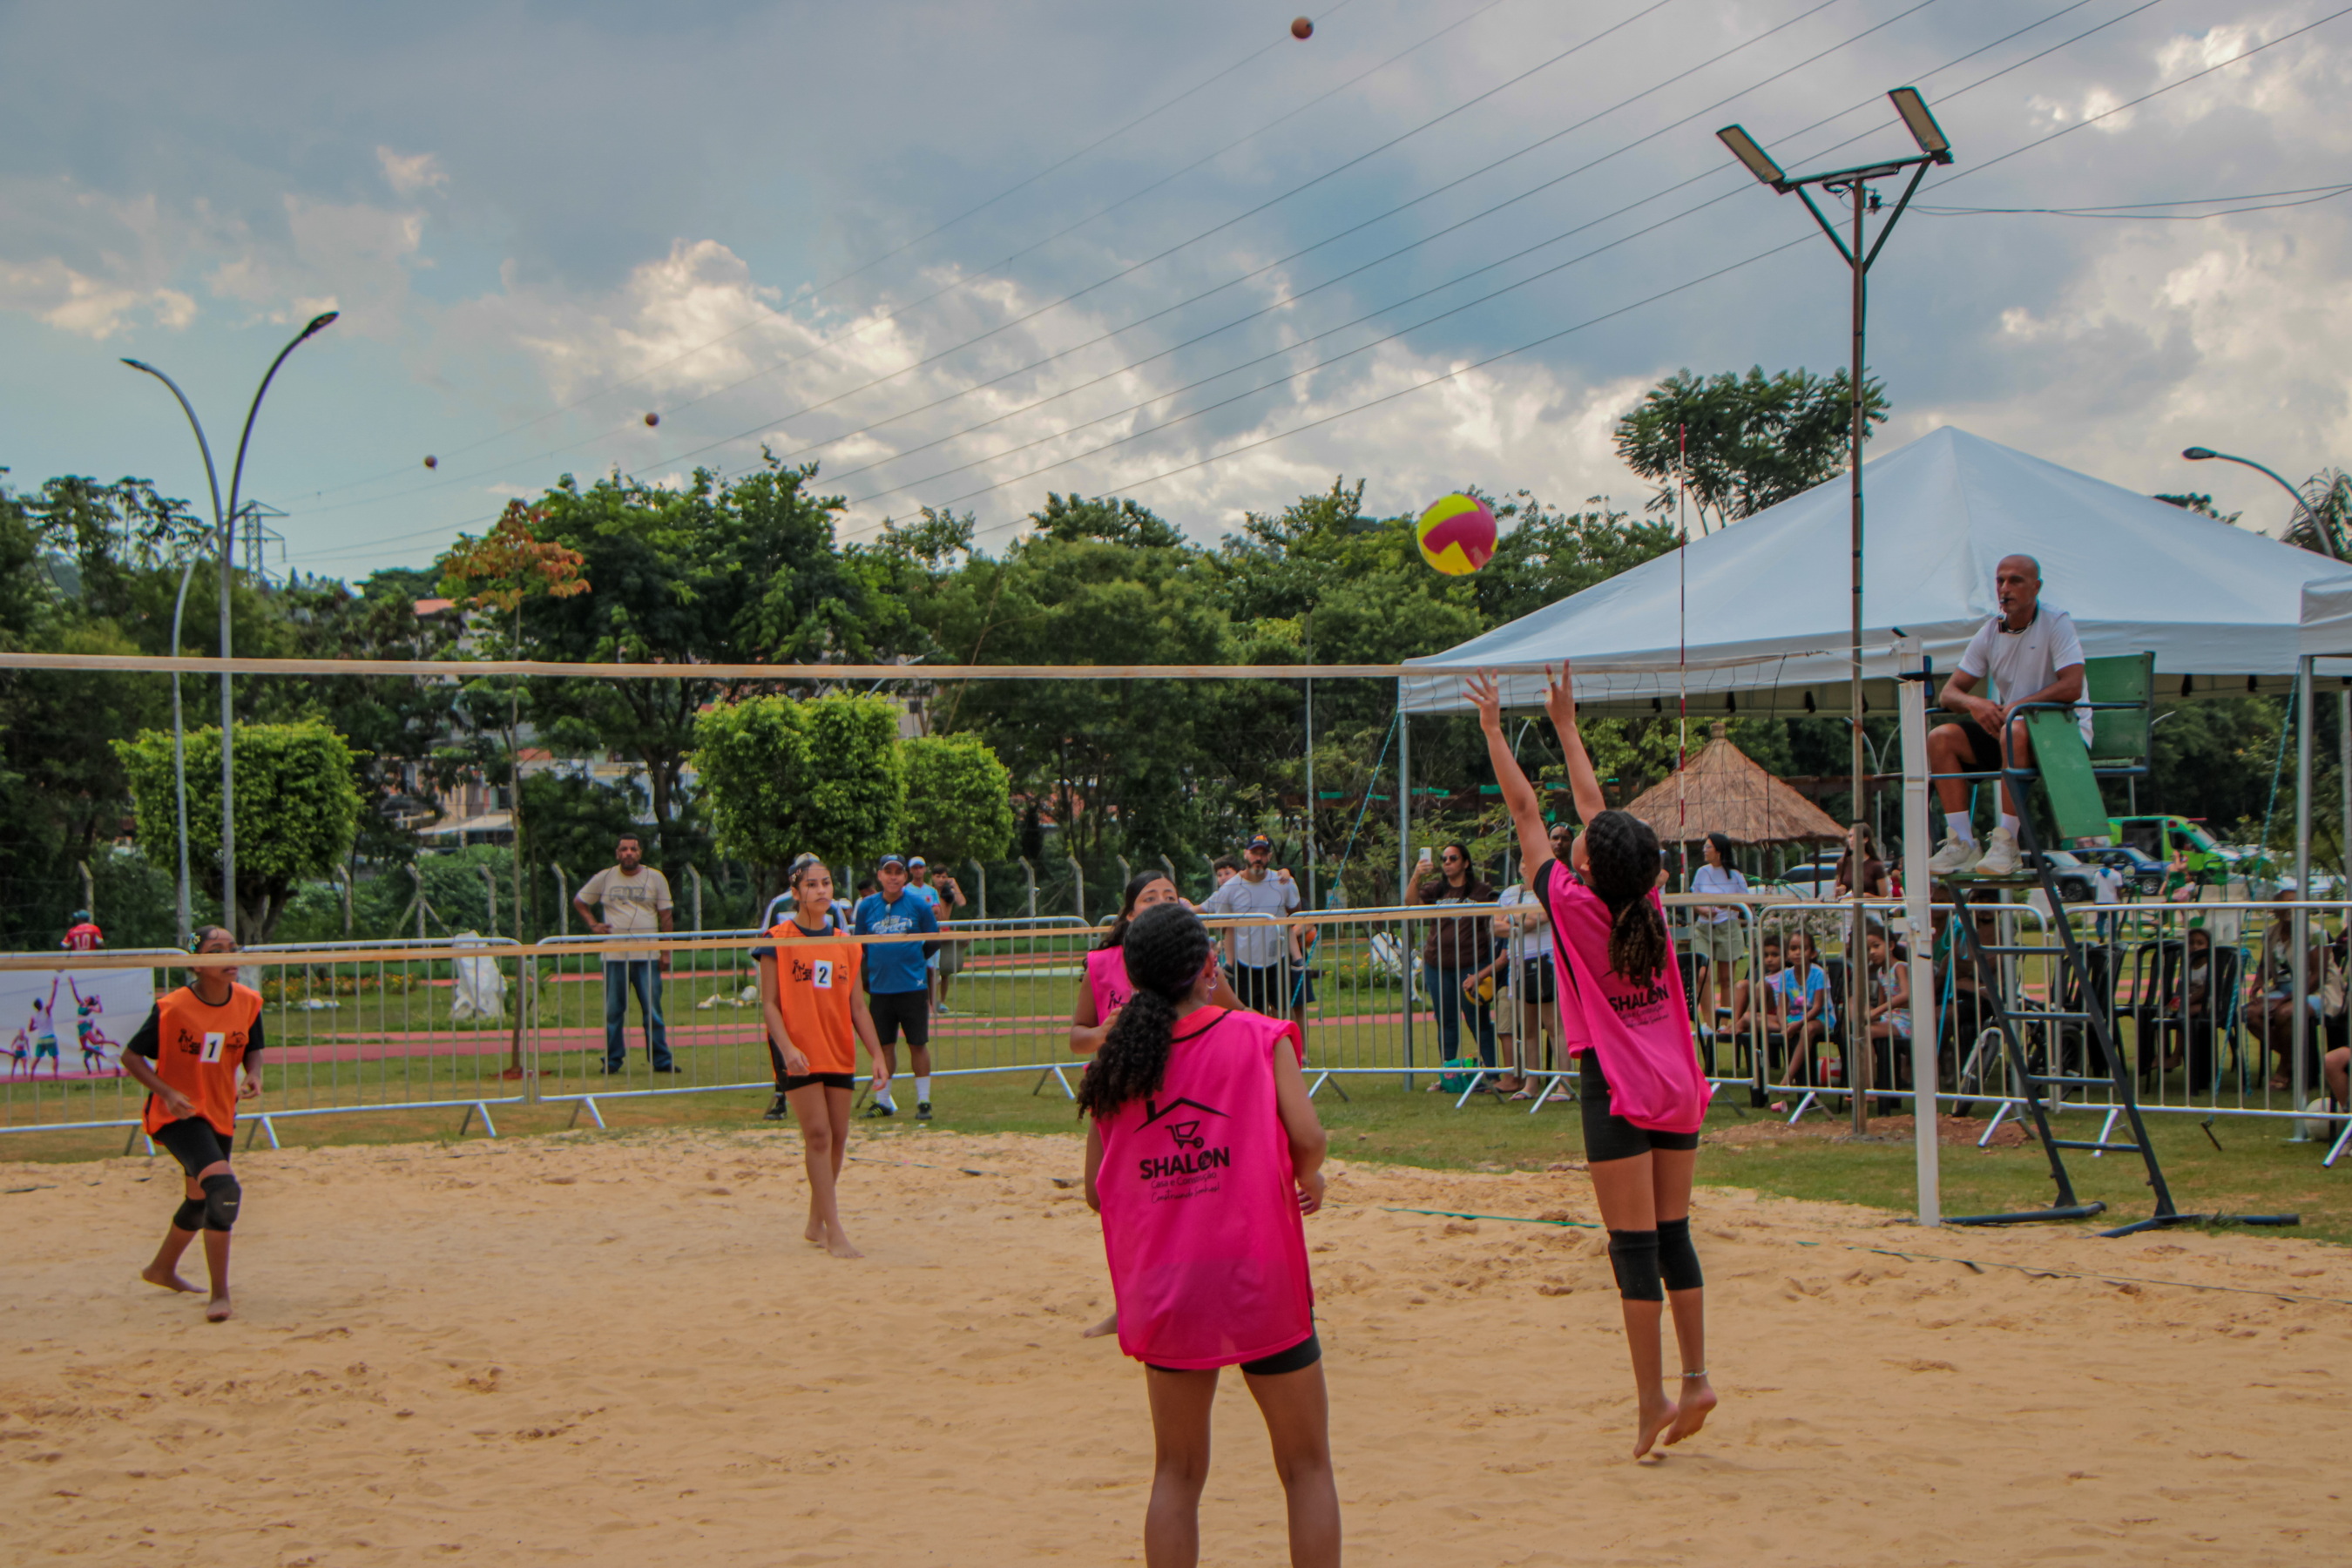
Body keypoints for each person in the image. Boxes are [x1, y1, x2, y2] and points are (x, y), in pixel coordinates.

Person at [1468, 666, 1715, 1459]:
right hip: (1679, 1083)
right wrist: (1566, 726)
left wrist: (1497, 732)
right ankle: (1697, 1377)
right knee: (1674, 1236)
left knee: (1633, 1249)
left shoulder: (1574, 910)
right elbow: (1592, 815)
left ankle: (1649, 1401)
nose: (1578, 835)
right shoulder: (1648, 904)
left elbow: (1526, 810)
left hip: (1618, 1087)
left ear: (1594, 865)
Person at [1078, 902, 1337, 1566]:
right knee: (1306, 1469)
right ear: (1208, 967)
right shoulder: (1258, 1035)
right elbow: (1309, 1137)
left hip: (1170, 1281)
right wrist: (1308, 1176)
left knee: (1177, 1474)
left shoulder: (1117, 1065)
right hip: (1259, 1272)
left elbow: (1095, 1190)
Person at [118, 926, 262, 1322]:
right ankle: (220, 1294)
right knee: (223, 1188)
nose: (230, 956)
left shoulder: (249, 1001)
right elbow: (131, 1057)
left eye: (233, 949)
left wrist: (254, 1074)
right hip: (177, 1115)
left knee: (199, 1202)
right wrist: (165, 1092)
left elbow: (253, 1045)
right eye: (218, 950)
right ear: (197, 964)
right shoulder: (173, 1007)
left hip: (220, 1111)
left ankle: (161, 1270)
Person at [755, 854, 888, 1259]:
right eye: (812, 885)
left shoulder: (845, 943)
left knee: (838, 1138)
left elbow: (858, 1008)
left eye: (826, 883)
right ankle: (835, 1230)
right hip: (797, 1050)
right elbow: (770, 1004)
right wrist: (788, 1048)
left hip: (837, 1047)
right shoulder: (776, 940)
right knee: (818, 1135)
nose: (822, 891)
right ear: (795, 892)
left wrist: (877, 1054)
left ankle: (815, 1222)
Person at [1926, 555, 2088, 878]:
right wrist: (1976, 704)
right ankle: (1962, 843)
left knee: (2012, 730)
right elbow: (1949, 693)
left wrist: (2017, 706)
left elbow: (2071, 686)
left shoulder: (2056, 622)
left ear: (2036, 587)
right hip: (2013, 733)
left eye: (2015, 580)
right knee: (1940, 737)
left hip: (2063, 734)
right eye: (2000, 580)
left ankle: (2007, 844)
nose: (2004, 588)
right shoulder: (1989, 632)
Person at [1071, 872, 1246, 1055]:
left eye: (1170, 898)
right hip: (1126, 1079)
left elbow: (1243, 1015)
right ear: (1130, 914)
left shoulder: (1200, 968)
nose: (1161, 904)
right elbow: (1077, 1040)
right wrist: (1101, 1034)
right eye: (1150, 898)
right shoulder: (1101, 964)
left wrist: (1274, 1033)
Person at [572, 831, 677, 1076]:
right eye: (624, 849)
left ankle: (662, 1060)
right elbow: (580, 901)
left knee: (653, 1011)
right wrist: (593, 924)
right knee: (613, 1011)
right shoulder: (606, 877)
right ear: (617, 853)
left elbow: (666, 916)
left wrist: (666, 952)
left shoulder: (655, 878)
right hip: (615, 956)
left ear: (640, 853)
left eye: (633, 849)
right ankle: (612, 1060)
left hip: (647, 955)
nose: (628, 853)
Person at [1477, 827, 1571, 1098]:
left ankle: (1563, 1083)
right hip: (1519, 965)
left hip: (1548, 962)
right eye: (1524, 863)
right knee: (1527, 1029)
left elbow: (1539, 919)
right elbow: (1495, 926)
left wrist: (1513, 922)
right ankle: (1532, 1083)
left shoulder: (1550, 890)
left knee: (1555, 1026)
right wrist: (1519, 923)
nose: (1527, 868)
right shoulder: (1509, 894)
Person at [851, 854, 942, 1122]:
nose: (893, 876)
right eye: (887, 872)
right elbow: (860, 945)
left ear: (905, 876)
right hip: (880, 989)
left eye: (898, 872)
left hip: (911, 987)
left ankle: (924, 1100)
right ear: (879, 875)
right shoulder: (867, 907)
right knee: (883, 1046)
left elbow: (933, 940)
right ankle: (883, 1101)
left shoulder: (918, 905)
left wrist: (911, 960)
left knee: (917, 1043)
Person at [1406, 842, 1499, 1082]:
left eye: (1453, 858)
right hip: (1437, 965)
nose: (1447, 863)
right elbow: (1409, 903)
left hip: (1471, 966)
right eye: (1444, 858)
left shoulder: (1480, 890)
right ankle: (1448, 1075)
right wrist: (1417, 874)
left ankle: (1493, 1074)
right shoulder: (1436, 889)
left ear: (1465, 863)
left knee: (1478, 1020)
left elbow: (1498, 915)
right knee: (1446, 1020)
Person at [1199, 835, 1305, 1027]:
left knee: (1285, 1010)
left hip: (1277, 959)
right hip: (1245, 963)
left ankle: (1296, 1053)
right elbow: (1226, 927)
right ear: (1246, 854)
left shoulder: (1283, 882)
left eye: (1263, 854)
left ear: (1269, 856)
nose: (1258, 858)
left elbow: (1295, 914)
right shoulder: (1229, 889)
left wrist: (1295, 955)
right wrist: (1229, 962)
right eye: (1254, 853)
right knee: (1253, 1013)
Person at [1687, 833, 1747, 1028]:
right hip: (1704, 928)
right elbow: (1694, 899)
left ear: (1719, 851)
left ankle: (1725, 1022)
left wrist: (1726, 905)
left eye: (1708, 847)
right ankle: (1709, 1022)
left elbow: (1746, 905)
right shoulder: (1701, 872)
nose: (1705, 850)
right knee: (1702, 974)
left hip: (1727, 928)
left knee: (1726, 978)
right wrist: (1703, 910)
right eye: (1704, 847)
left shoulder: (1736, 875)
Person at [1768, 931, 1835, 1091]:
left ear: (1812, 953)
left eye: (1802, 949)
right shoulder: (1785, 975)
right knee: (1754, 1018)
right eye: (1793, 948)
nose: (1797, 952)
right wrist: (1784, 1024)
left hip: (1820, 1018)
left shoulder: (1819, 973)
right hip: (1794, 1018)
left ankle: (1787, 1078)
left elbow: (1818, 1006)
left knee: (1807, 1030)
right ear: (1788, 953)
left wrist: (1797, 1024)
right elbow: (1781, 1006)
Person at [906, 858, 970, 1014]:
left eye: (921, 867)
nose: (918, 870)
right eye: (915, 867)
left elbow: (938, 911)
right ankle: (918, 1002)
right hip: (915, 935)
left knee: (935, 970)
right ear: (910, 870)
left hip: (932, 934)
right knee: (915, 969)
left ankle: (935, 1003)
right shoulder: (906, 890)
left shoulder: (932, 892)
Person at [1835, 824, 1891, 899]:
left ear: (1865, 839)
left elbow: (1885, 899)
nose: (1851, 840)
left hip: (1869, 909)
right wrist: (1840, 891)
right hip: (1847, 908)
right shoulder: (1842, 863)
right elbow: (1836, 893)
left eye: (1855, 836)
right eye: (1850, 836)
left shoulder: (1876, 865)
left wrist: (1868, 897)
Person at [2089, 856, 2128, 943]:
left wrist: (2095, 899)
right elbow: (2118, 889)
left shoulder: (2098, 874)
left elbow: (2094, 888)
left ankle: (2101, 935)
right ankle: (2113, 939)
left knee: (2100, 920)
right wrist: (2121, 899)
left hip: (2100, 901)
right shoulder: (2116, 874)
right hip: (2112, 901)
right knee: (2113, 921)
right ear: (2112, 863)